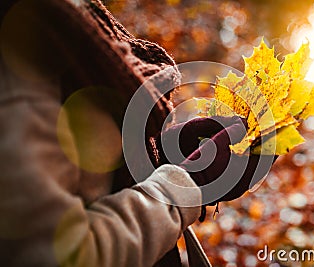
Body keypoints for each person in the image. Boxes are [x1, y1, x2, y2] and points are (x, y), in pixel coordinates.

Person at [0, 0, 275, 266]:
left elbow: (86, 174)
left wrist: (162, 157)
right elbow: (54, 256)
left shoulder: (64, 16)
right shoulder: (18, 69)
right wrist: (189, 183)